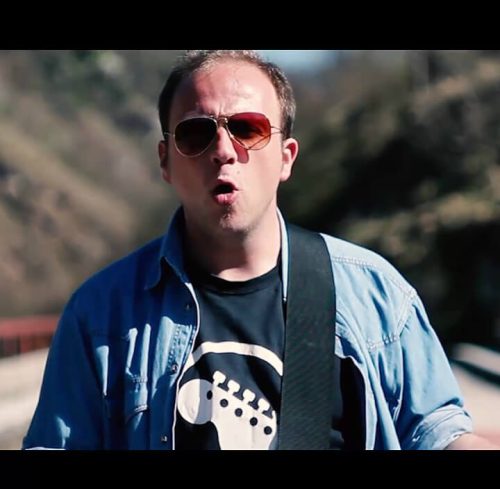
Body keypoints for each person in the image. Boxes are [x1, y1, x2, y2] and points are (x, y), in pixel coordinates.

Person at [22, 50, 497, 450]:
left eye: (247, 129)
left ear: (286, 157)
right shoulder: (100, 313)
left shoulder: (374, 293)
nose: (224, 150)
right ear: (165, 161)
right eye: (195, 133)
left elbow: (435, 431)